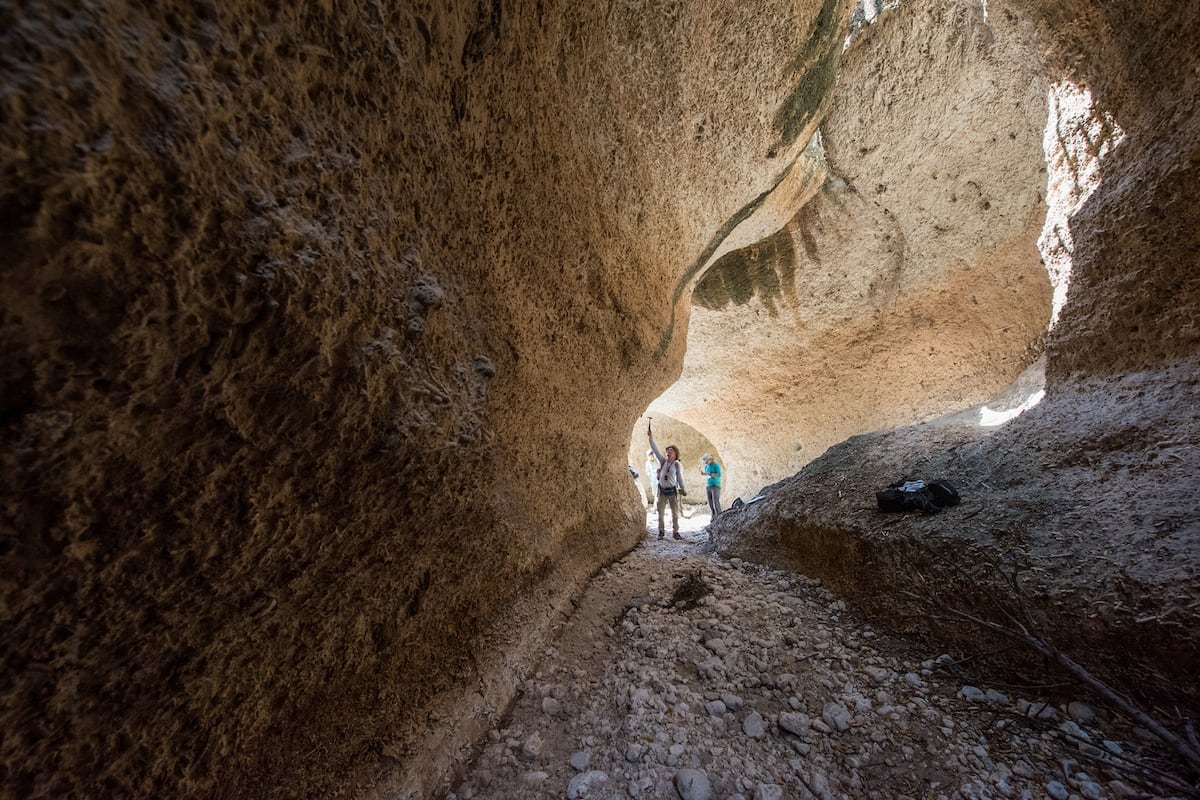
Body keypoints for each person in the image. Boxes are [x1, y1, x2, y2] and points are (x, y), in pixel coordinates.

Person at [648, 428, 686, 540]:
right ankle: (661, 532)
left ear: (675, 453)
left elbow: (679, 478)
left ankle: (675, 532)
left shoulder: (676, 465)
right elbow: (654, 449)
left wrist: (683, 489)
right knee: (661, 513)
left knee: (675, 513)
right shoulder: (663, 461)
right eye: (668, 451)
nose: (668, 452)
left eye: (671, 451)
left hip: (672, 491)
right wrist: (650, 437)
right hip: (662, 491)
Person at [701, 453, 722, 518]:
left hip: (715, 485)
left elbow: (718, 475)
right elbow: (707, 474)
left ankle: (719, 516)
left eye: (707, 461)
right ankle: (713, 517)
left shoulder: (716, 465)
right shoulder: (706, 466)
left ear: (710, 459)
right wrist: (704, 474)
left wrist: (709, 474)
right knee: (710, 503)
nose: (706, 463)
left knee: (716, 502)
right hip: (708, 485)